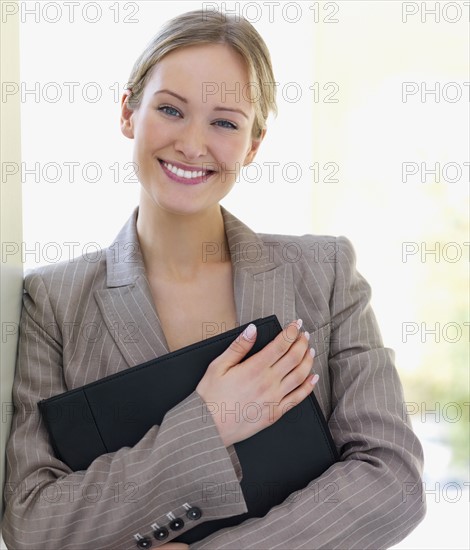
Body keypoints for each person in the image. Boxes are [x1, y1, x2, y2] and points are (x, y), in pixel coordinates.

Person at [2, 8, 426, 550]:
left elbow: (393, 482)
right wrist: (208, 425)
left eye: (224, 122)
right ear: (128, 112)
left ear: (253, 144)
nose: (193, 144)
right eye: (171, 110)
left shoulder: (327, 274)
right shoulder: (53, 302)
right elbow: (34, 524)